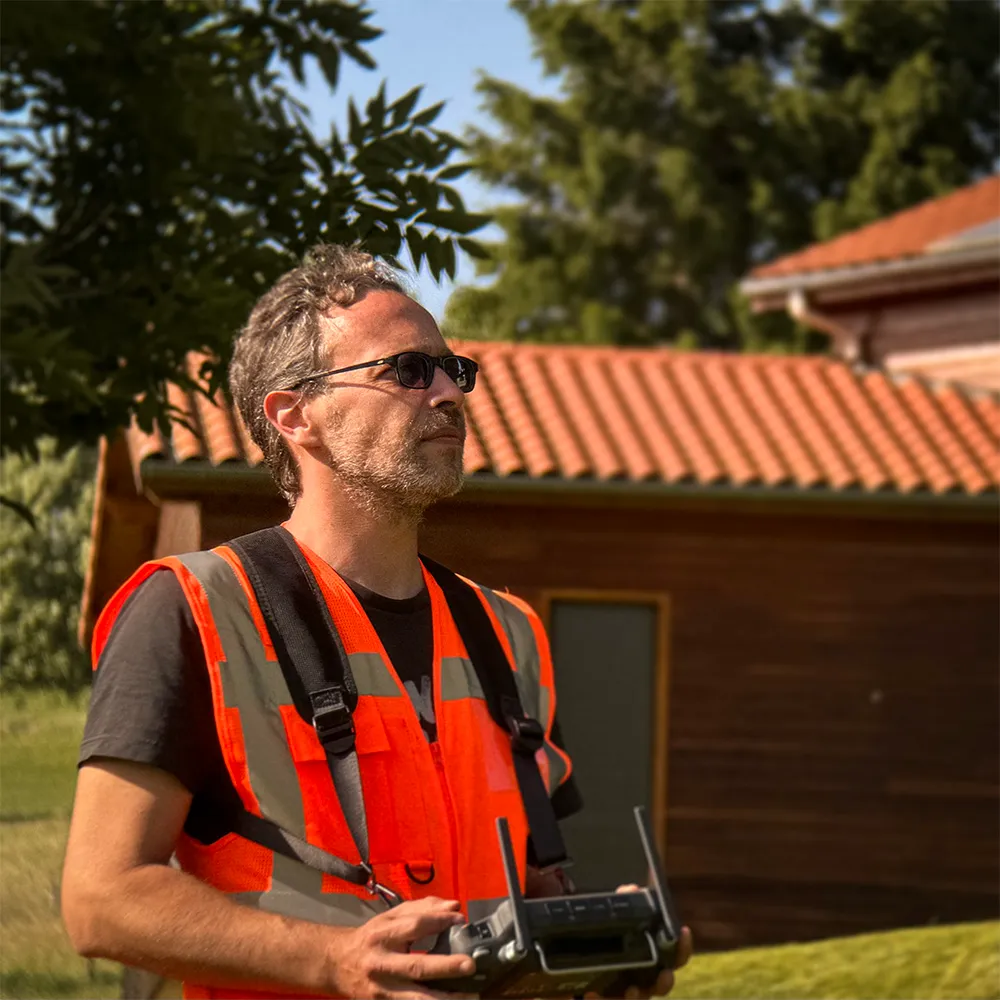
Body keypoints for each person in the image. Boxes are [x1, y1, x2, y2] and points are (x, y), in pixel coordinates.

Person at [61, 244, 692, 999]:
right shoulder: (192, 609)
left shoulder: (509, 634)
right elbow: (100, 901)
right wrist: (332, 960)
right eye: (407, 371)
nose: (449, 395)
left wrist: (591, 948)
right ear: (295, 414)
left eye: (455, 371)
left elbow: (528, 886)